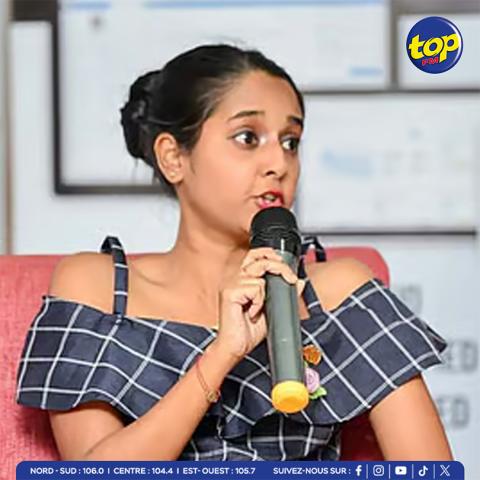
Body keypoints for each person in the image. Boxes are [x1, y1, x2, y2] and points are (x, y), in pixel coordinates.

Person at [16, 44, 453, 461]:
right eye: (248, 137)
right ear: (173, 157)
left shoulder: (340, 290)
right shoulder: (99, 287)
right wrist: (222, 354)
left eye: (290, 141)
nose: (278, 164)